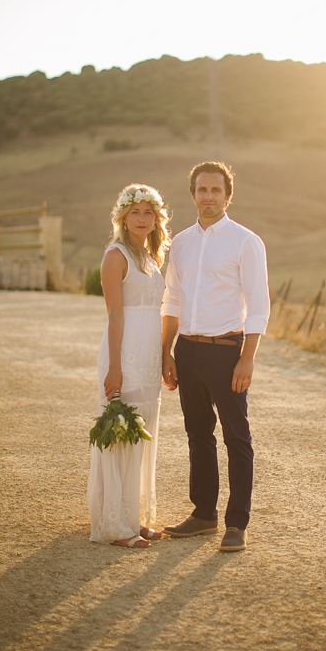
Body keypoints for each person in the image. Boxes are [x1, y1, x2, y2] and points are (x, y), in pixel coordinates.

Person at [161, 162, 270, 552]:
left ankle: (236, 523)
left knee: (236, 438)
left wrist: (248, 358)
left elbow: (259, 306)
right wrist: (166, 352)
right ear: (192, 194)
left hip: (227, 352)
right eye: (202, 189)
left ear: (228, 195)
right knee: (197, 435)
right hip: (187, 351)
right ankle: (203, 514)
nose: (208, 196)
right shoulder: (182, 244)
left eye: (216, 190)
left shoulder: (246, 242)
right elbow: (172, 299)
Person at [87, 184, 171, 549]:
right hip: (125, 354)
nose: (142, 219)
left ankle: (132, 518)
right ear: (123, 216)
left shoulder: (151, 257)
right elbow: (115, 316)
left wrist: (167, 355)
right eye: (135, 212)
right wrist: (115, 368)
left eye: (148, 213)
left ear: (156, 219)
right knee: (122, 433)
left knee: (142, 432)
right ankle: (115, 527)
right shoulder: (116, 255)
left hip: (150, 355)